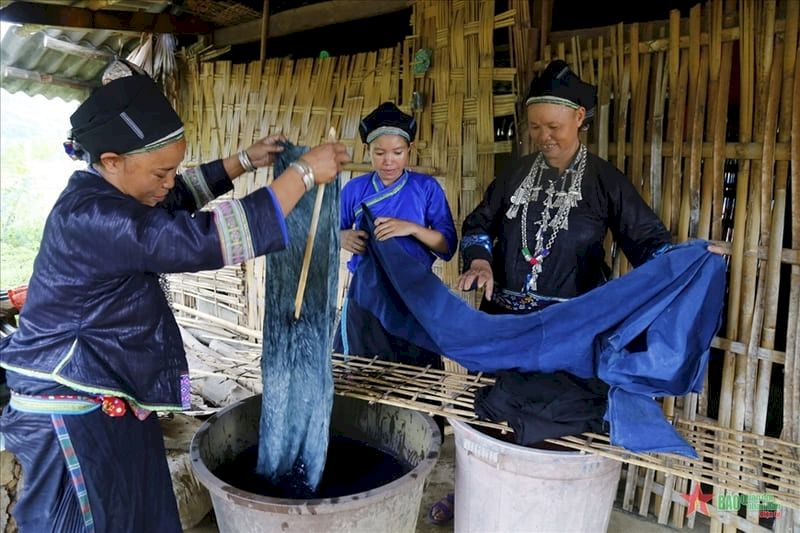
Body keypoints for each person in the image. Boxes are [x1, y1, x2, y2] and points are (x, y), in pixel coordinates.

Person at [0, 61, 350, 532]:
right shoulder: (94, 217)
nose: (169, 183)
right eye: (161, 172)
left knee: (143, 515)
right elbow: (200, 241)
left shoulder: (121, 193)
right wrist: (303, 175)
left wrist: (244, 161)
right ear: (111, 161)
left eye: (174, 170)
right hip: (71, 409)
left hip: (111, 395)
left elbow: (174, 198)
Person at [426, 59, 723, 525]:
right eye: (535, 126)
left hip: (571, 336)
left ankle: (541, 514)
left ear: (579, 120)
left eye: (554, 126)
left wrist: (692, 259)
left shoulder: (606, 183)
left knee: (552, 430)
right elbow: (479, 223)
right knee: (489, 418)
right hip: (505, 325)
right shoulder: (513, 176)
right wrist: (480, 259)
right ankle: (475, 498)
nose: (544, 136)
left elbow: (649, 244)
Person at [333, 102, 458, 369]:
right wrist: (341, 237)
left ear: (409, 150)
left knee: (418, 379)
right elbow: (324, 234)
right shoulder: (354, 190)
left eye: (397, 152)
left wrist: (411, 228)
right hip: (367, 298)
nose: (388, 160)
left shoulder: (426, 189)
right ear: (368, 151)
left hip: (412, 297)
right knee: (360, 374)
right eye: (379, 153)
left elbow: (447, 246)